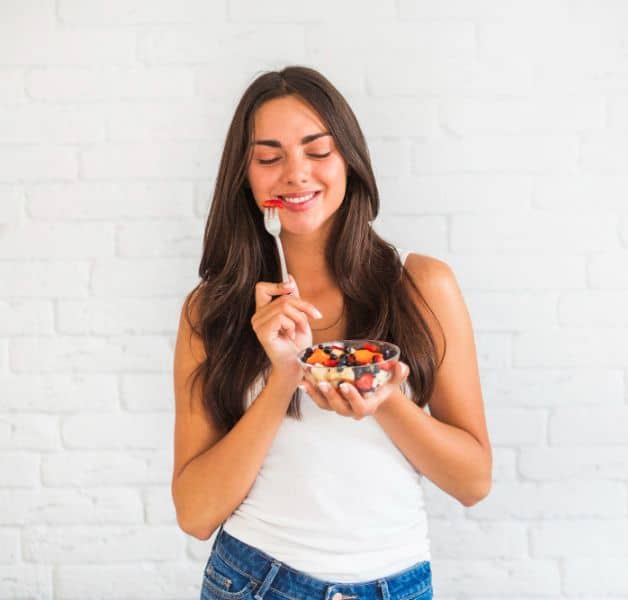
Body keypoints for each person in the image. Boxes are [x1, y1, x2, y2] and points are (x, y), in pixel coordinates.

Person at [171, 66, 492, 600]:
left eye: (317, 152)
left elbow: (473, 482)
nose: (295, 174)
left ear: (350, 161)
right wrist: (282, 377)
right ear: (245, 177)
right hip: (255, 581)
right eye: (269, 157)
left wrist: (385, 398)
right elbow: (196, 513)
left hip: (399, 584)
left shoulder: (422, 287)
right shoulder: (212, 312)